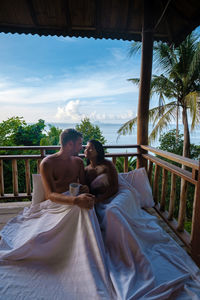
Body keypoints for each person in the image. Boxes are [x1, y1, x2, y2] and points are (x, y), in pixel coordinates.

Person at [40, 128, 95, 209]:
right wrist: (76, 200)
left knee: (86, 207)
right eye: (79, 144)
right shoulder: (47, 163)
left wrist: (85, 188)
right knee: (81, 209)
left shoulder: (78, 162)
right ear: (70, 144)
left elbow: (83, 185)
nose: (81, 147)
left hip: (75, 199)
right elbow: (50, 195)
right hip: (55, 203)